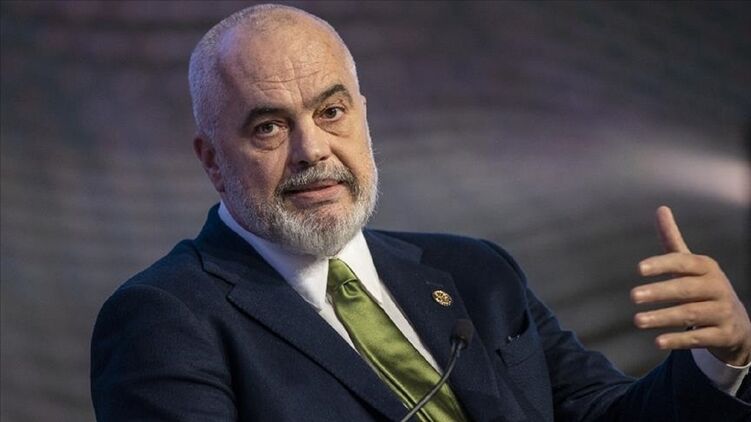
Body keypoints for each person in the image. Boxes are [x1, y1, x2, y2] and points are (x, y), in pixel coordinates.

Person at [90, 4, 751, 421]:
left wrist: (721, 357)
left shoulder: (474, 271)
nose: (312, 150)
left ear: (363, 117)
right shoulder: (164, 317)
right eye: (268, 127)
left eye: (331, 112)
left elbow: (604, 415)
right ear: (212, 159)